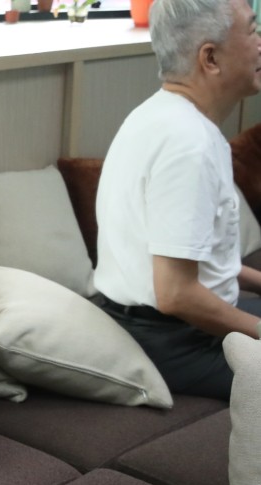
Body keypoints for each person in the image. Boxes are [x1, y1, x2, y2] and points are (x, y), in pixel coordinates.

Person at [94, 0, 261, 400]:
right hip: (177, 342)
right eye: (253, 30)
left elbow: (194, 257)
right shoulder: (189, 144)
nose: (260, 43)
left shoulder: (158, 115)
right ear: (211, 58)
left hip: (164, 326)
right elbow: (175, 294)